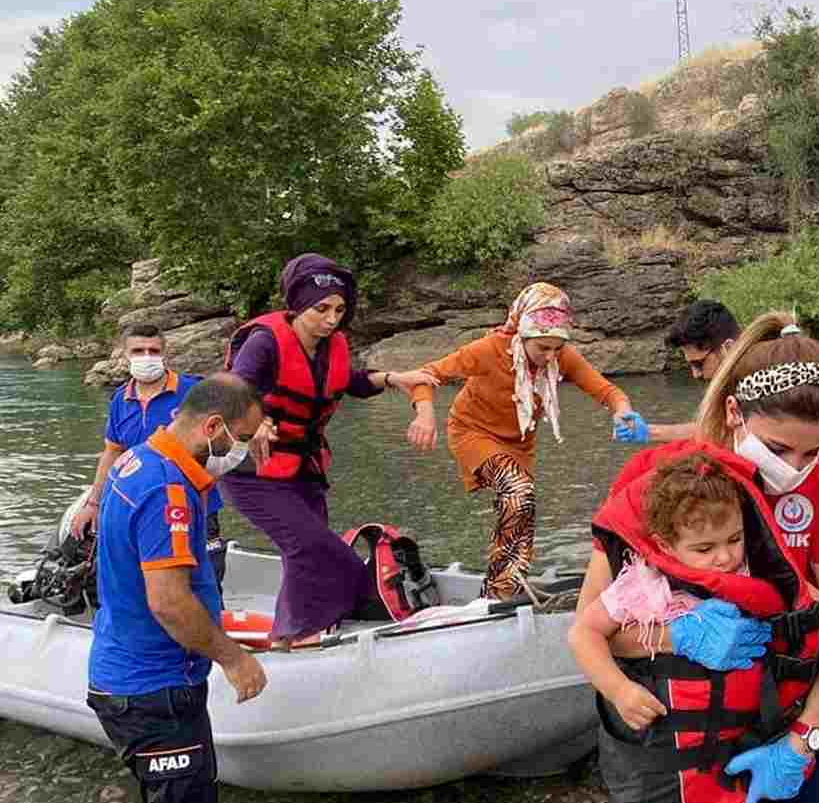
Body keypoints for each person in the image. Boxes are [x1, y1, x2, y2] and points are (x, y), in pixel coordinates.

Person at [583, 311, 819, 803]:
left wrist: (804, 740)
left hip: (794, 724)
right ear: (736, 413)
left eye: (811, 452)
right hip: (684, 743)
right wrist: (677, 636)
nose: (794, 468)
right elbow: (595, 628)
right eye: (779, 448)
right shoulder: (660, 482)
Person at [619, 299, 819, 796]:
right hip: (781, 518)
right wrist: (653, 433)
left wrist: (799, 518)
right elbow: (712, 429)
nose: (696, 374)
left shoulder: (803, 399)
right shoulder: (745, 413)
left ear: (728, 349)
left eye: (700, 363)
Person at [572, 448, 819, 803]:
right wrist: (620, 690)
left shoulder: (760, 580)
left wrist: (803, 739)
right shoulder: (641, 584)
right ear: (663, 543)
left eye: (734, 540)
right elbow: (583, 635)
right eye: (704, 548)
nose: (724, 558)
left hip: (729, 769)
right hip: (655, 770)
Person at [85, 373, 268, 803]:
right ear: (212, 427)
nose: (242, 451)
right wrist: (234, 659)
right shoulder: (166, 490)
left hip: (141, 673)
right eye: (241, 439)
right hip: (150, 688)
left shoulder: (140, 459)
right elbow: (168, 602)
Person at [220, 253, 436, 643]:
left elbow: (349, 381)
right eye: (321, 309)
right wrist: (256, 422)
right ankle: (299, 635)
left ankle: (295, 632)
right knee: (310, 547)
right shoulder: (264, 342)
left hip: (304, 468)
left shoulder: (331, 345)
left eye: (339, 309)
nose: (332, 318)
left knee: (306, 555)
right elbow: (233, 391)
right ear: (298, 305)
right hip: (252, 471)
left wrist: (393, 378)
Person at [404, 282, 645, 598]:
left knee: (523, 506)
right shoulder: (489, 349)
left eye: (557, 348)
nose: (550, 356)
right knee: (517, 491)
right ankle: (497, 592)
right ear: (523, 335)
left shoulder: (560, 357)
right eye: (543, 348)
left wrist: (622, 411)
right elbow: (426, 375)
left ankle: (511, 583)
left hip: (518, 445)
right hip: (472, 432)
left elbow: (607, 391)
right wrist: (424, 414)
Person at [70, 323, 229, 586]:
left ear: (165, 353)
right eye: (138, 351)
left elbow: (227, 435)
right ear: (125, 354)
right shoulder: (120, 399)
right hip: (141, 507)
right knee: (149, 582)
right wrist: (94, 504)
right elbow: (112, 452)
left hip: (195, 506)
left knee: (204, 582)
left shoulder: (195, 391)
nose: (147, 357)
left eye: (153, 350)